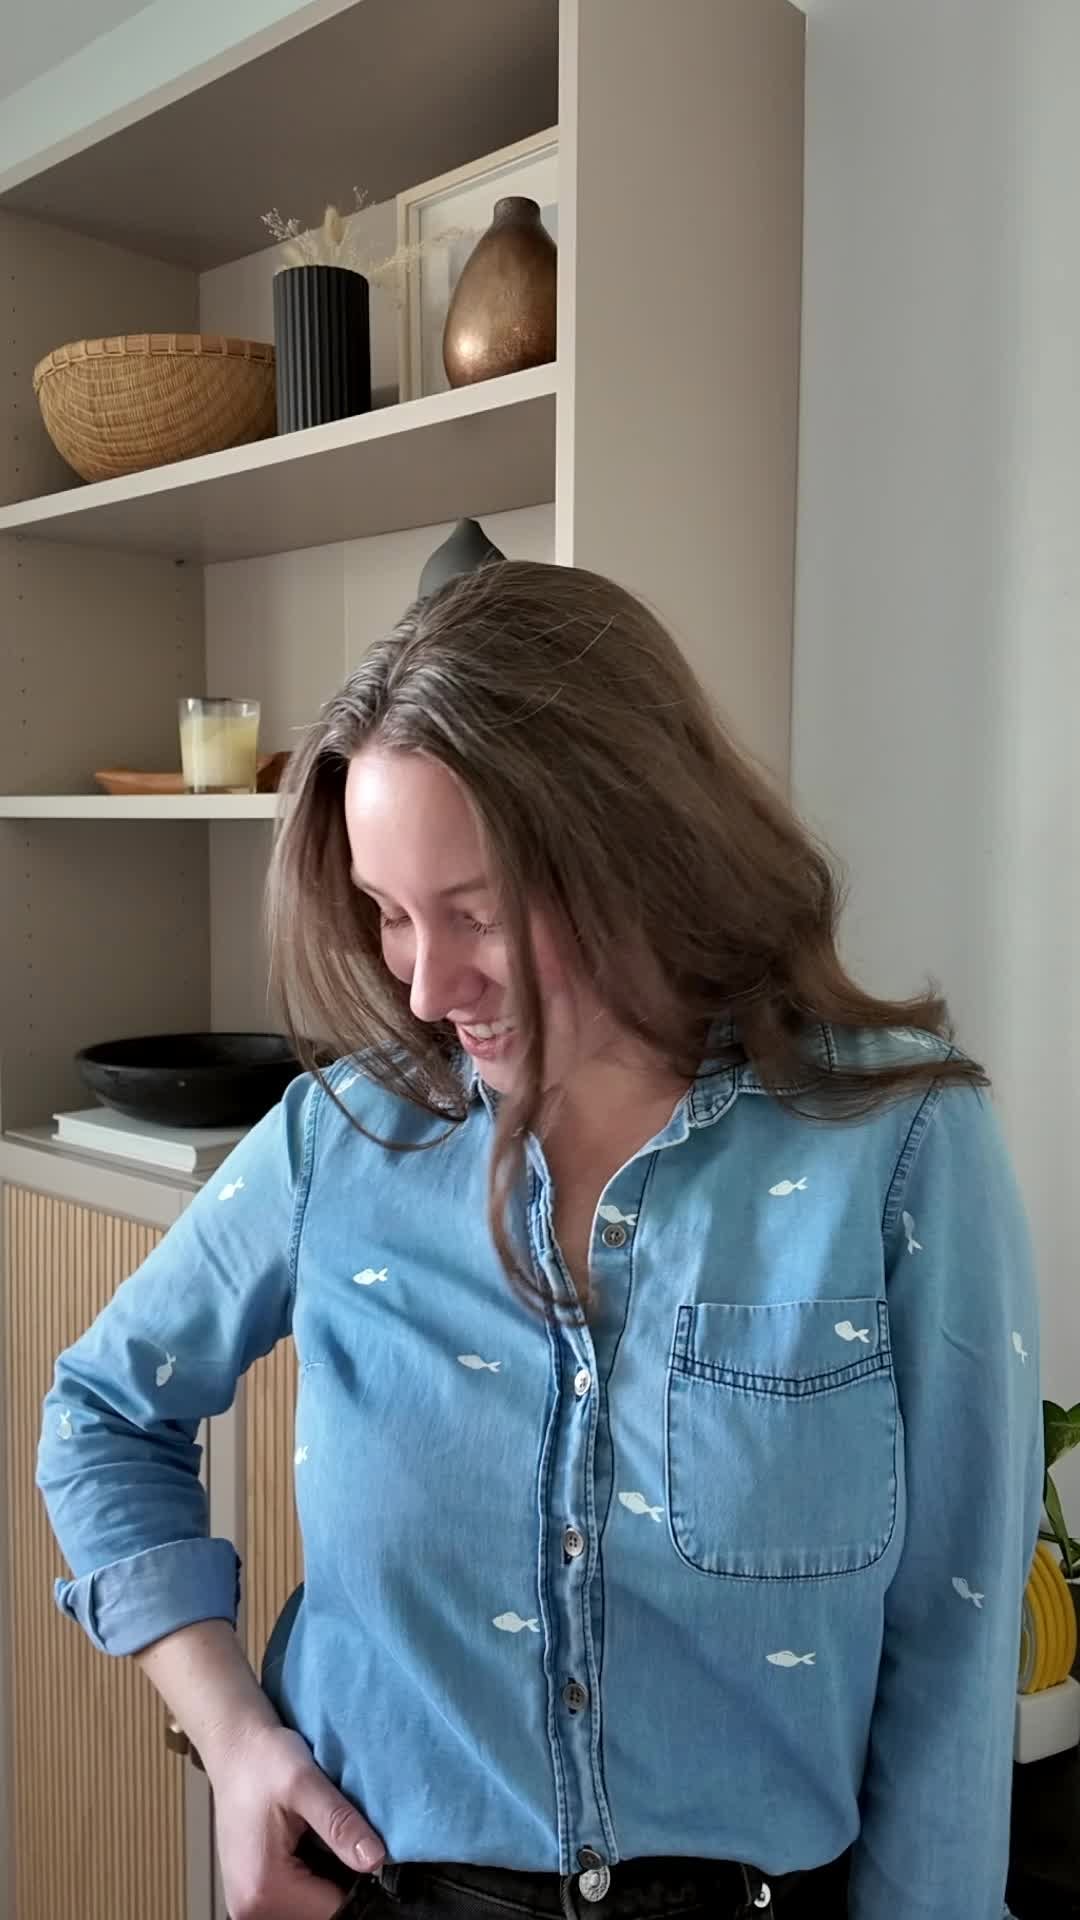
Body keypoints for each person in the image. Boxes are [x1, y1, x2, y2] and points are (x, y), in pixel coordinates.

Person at [39, 561, 1041, 1920]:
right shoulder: (338, 1140)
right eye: (389, 913)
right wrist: (233, 1741)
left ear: (645, 847)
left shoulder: (898, 1144)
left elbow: (956, 1631)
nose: (425, 987)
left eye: (476, 913)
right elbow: (100, 1413)